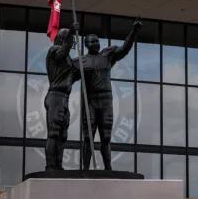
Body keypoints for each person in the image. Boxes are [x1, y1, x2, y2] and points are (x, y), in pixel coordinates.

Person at [75, 19, 142, 170]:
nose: (96, 44)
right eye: (92, 42)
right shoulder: (81, 61)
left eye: (97, 41)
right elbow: (66, 75)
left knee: (106, 137)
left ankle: (108, 168)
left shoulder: (107, 55)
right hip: (90, 101)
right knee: (88, 137)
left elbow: (125, 48)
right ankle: (85, 168)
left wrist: (134, 32)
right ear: (86, 45)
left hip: (105, 101)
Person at [44, 22, 80, 171]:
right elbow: (64, 51)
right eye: (69, 39)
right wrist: (72, 31)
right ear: (63, 39)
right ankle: (51, 166)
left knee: (63, 134)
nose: (71, 44)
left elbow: (73, 76)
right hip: (55, 97)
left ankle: (58, 165)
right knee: (54, 133)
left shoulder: (69, 60)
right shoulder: (55, 51)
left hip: (65, 98)